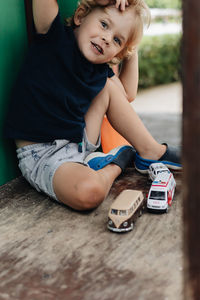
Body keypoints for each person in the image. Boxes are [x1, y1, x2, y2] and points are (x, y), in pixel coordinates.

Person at [4, 0, 181, 211]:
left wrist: (130, 51)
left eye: (117, 40)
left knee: (108, 86)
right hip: (44, 156)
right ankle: (116, 163)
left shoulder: (99, 70)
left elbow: (127, 94)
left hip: (79, 141)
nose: (107, 38)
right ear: (80, 16)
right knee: (90, 193)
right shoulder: (53, 36)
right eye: (104, 25)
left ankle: (150, 151)